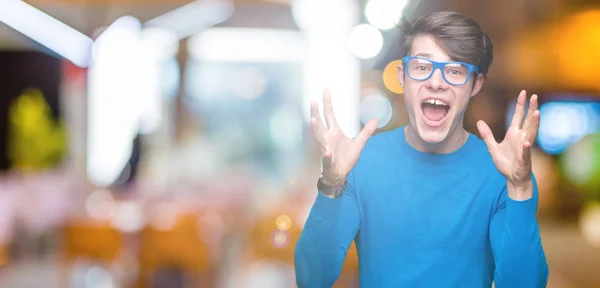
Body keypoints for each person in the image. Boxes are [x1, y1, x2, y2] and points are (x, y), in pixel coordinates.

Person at [294, 11, 548, 288]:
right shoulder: (361, 163)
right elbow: (311, 278)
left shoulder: (504, 175)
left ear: (475, 85)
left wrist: (520, 188)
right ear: (403, 76)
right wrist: (331, 185)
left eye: (454, 70)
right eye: (422, 66)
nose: (436, 82)